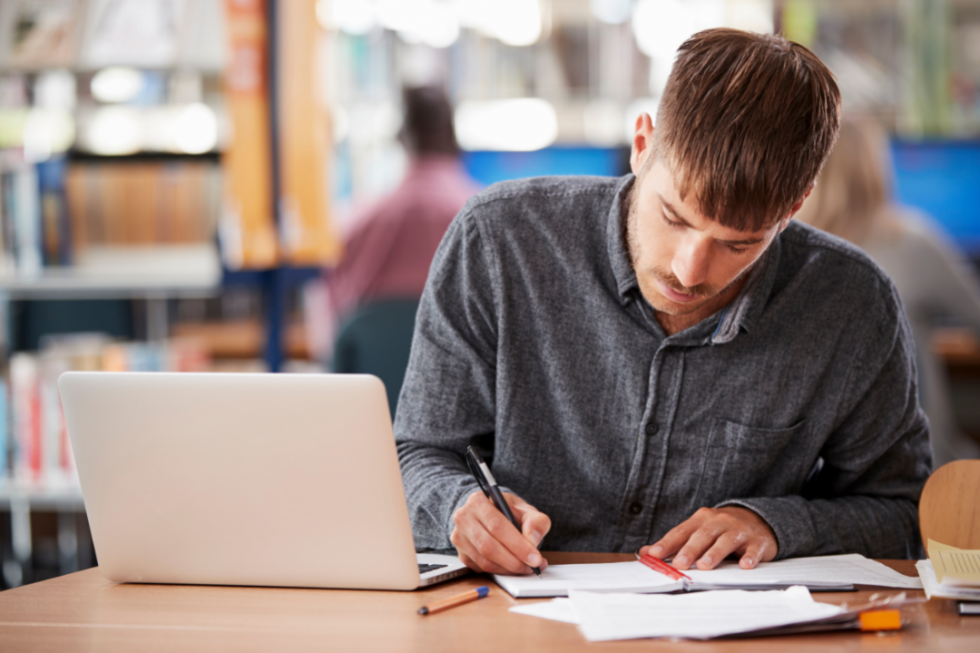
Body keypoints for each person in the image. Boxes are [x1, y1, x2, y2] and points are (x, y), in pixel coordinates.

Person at [394, 29, 932, 577]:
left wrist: (776, 525)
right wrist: (459, 508)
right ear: (642, 144)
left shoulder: (853, 303)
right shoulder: (499, 241)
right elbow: (418, 454)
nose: (688, 270)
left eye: (738, 243)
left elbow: (899, 513)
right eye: (674, 218)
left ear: (794, 207)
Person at [796, 115, 980, 468]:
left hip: (814, 477)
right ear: (875, 168)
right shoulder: (914, 242)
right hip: (918, 471)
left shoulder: (781, 249)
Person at [324, 85, 479, 330]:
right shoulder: (490, 224)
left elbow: (332, 323)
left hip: (373, 367)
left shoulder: (355, 224)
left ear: (401, 137)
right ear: (453, 137)